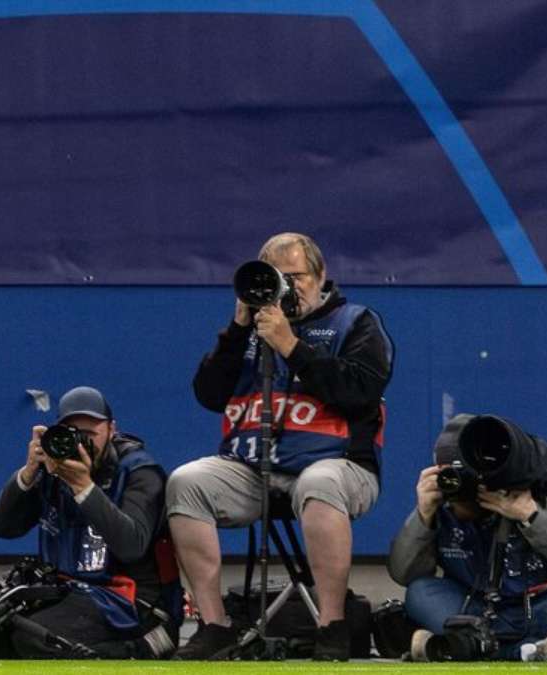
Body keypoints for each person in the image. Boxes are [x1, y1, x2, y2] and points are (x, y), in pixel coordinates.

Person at [166, 232, 394, 661]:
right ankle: (215, 626)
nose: (289, 288)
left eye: (297, 277)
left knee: (319, 483)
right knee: (186, 482)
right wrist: (237, 330)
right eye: (278, 279)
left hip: (341, 466)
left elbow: (360, 390)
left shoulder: (357, 322)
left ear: (321, 275)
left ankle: (332, 625)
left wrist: (291, 346)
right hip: (256, 467)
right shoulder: (253, 331)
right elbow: (209, 394)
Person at [0, 386, 180, 659]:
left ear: (111, 429)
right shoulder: (52, 468)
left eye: (90, 434)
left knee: (30, 636)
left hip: (131, 601)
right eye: (73, 435)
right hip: (69, 590)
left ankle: (138, 650)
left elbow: (131, 545)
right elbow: (3, 527)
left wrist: (83, 487)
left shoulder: (139, 472)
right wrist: (28, 473)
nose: (81, 444)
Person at [388, 414, 547, 661]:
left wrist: (530, 517)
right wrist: (423, 516)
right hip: (475, 608)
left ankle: (455, 647)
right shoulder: (441, 493)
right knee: (421, 593)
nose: (456, 504)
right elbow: (403, 573)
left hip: (542, 605)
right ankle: (531, 651)